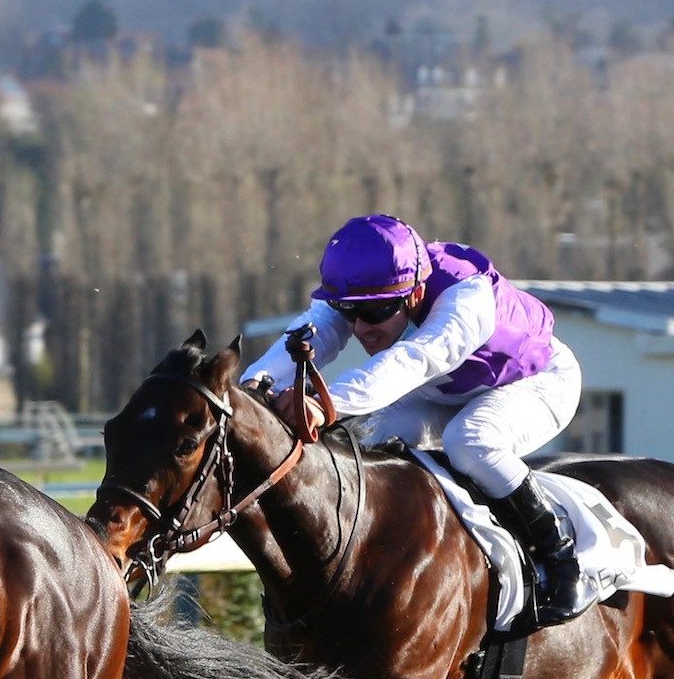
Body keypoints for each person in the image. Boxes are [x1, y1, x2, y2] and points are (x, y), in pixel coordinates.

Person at [242, 213, 583, 625]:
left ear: (416, 293)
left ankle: (561, 558)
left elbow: (411, 362)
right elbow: (311, 331)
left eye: (377, 312)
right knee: (370, 442)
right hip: (445, 391)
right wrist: (254, 385)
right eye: (349, 312)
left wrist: (322, 402)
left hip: (537, 383)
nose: (362, 328)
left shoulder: (465, 299)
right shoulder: (372, 288)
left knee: (469, 440)